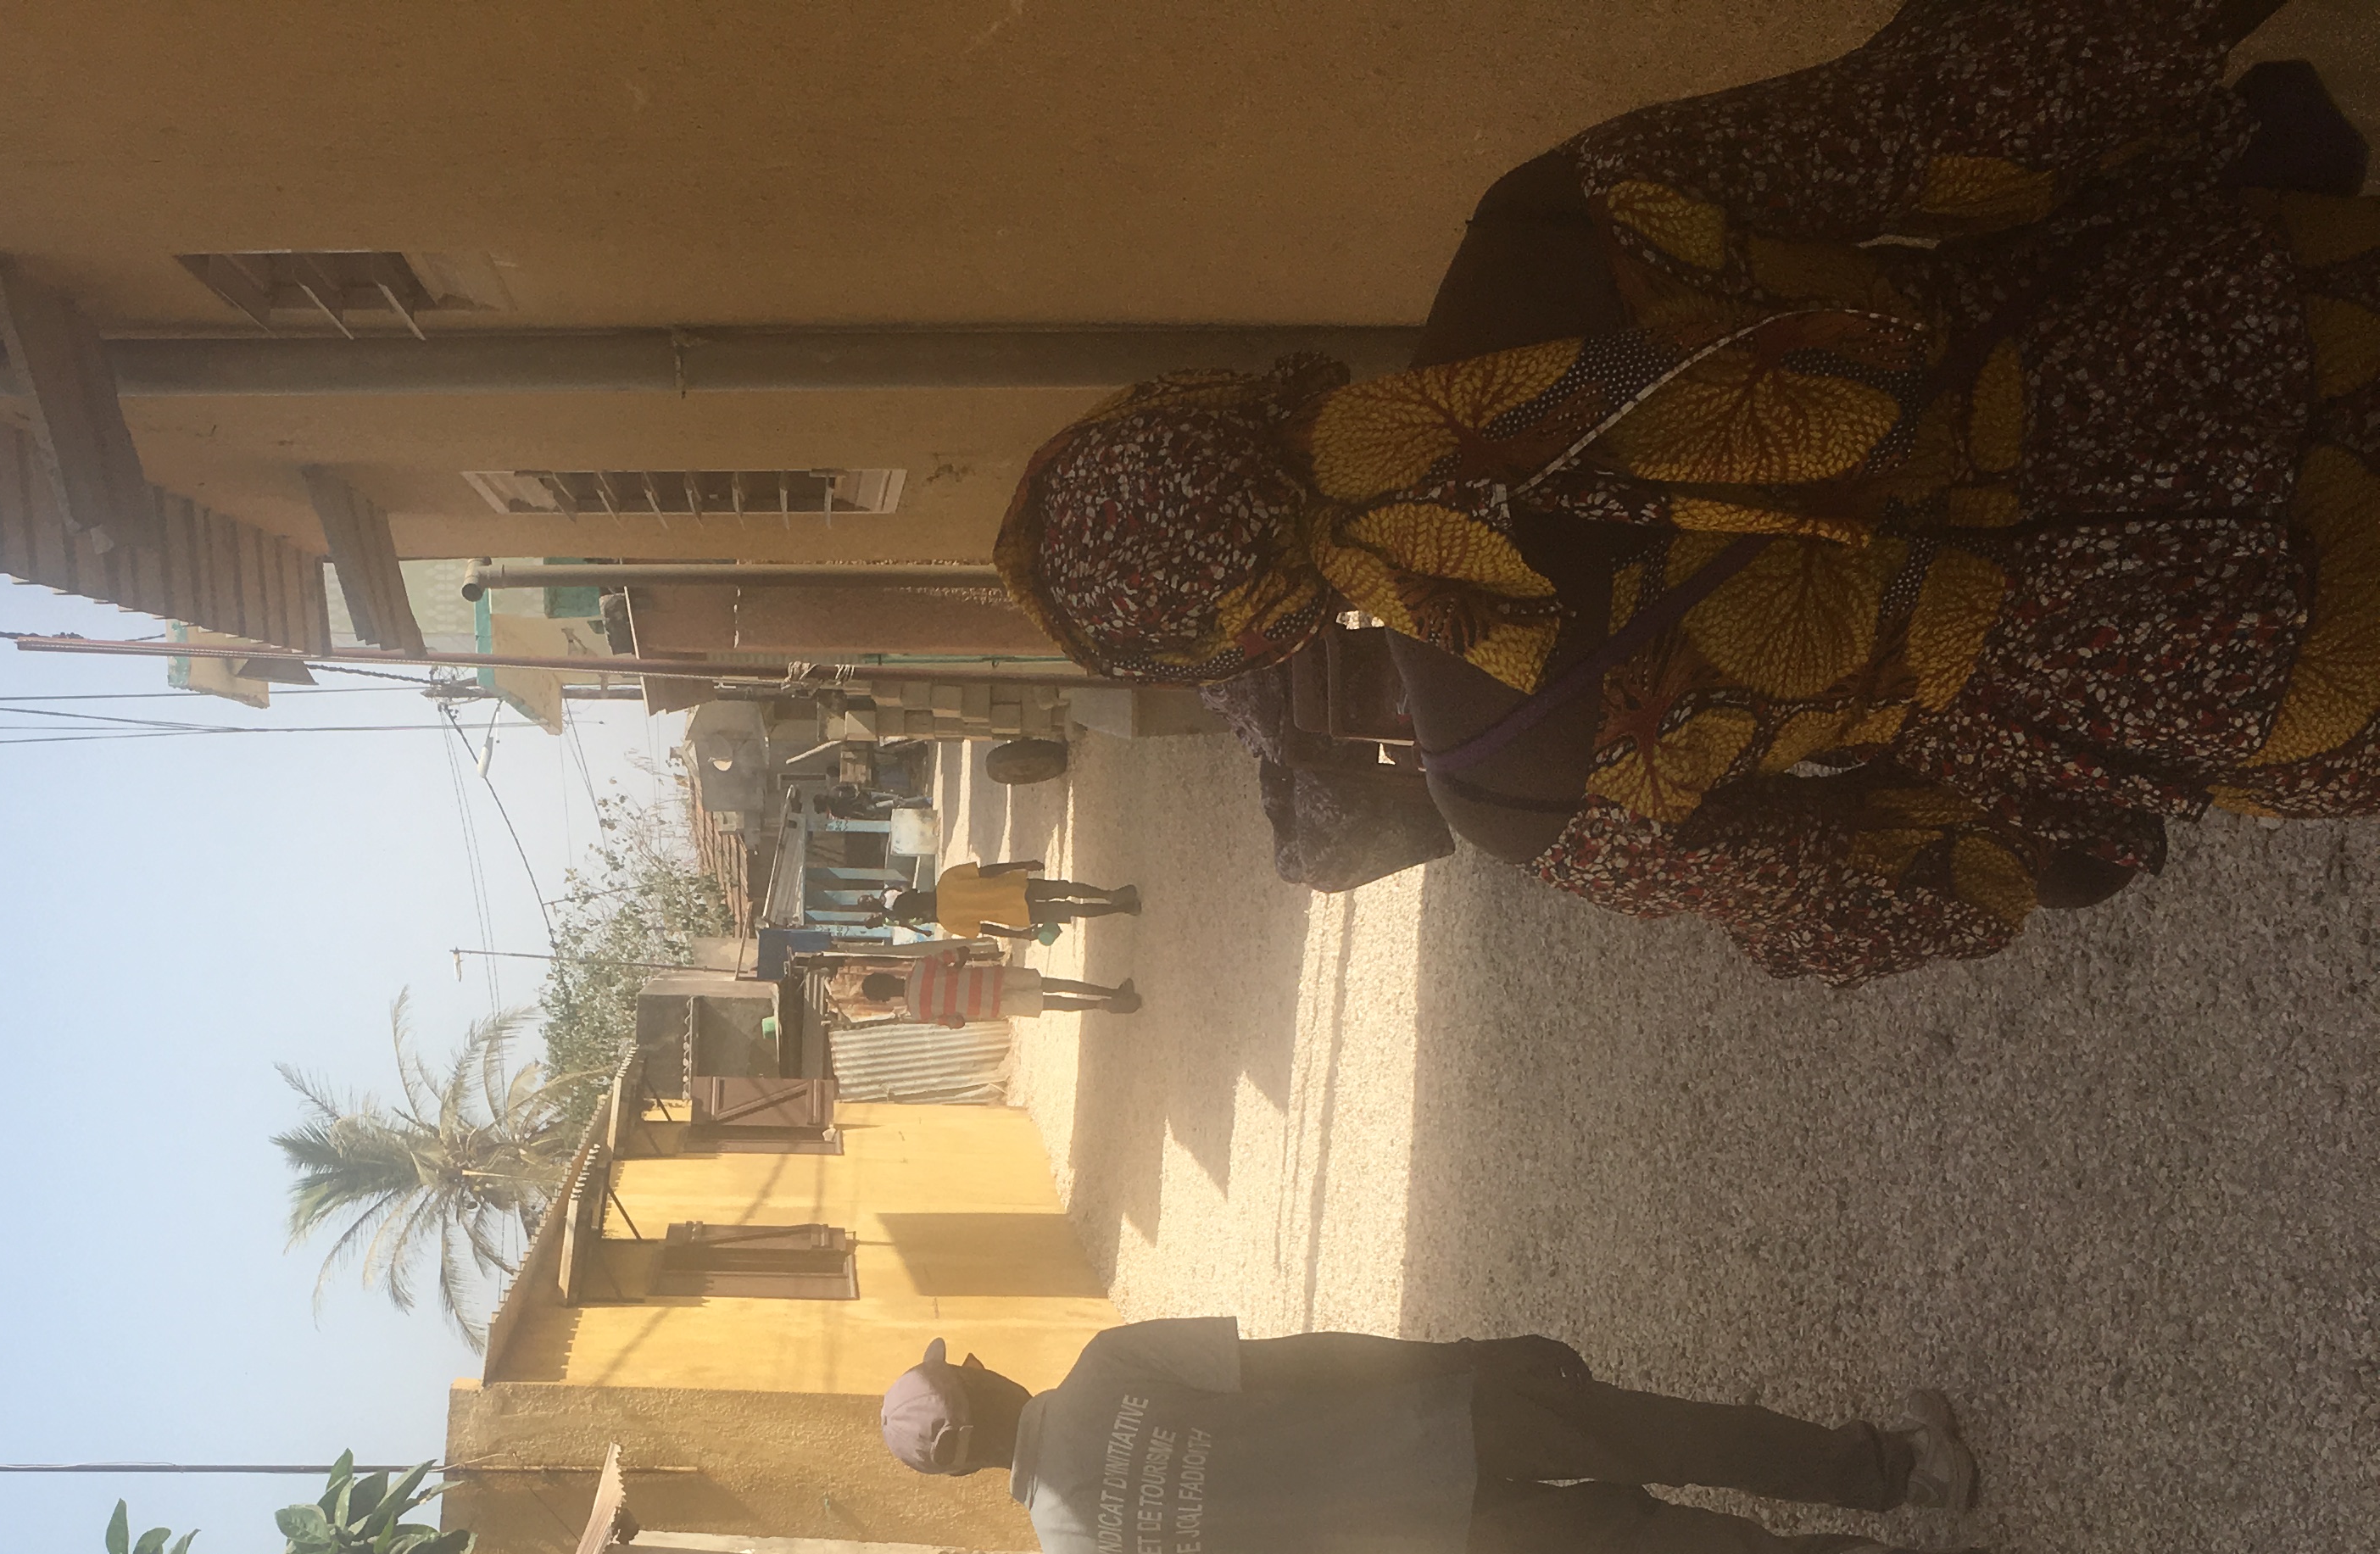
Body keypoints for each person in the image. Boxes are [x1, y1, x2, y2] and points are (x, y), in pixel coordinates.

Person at [990, 0, 2380, 985]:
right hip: (2212, 335)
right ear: (1203, 402)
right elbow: (1954, 116)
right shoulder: (1543, 233)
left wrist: (2030, 812)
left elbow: (1870, 899)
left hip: (2202, 658)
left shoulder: (1505, 790)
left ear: (1255, 636)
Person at [878, 1323, 1995, 1554]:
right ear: (980, 1390)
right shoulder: (1109, 1366)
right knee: (1669, 1438)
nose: (975, 1361)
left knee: (1646, 1549)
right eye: (965, 1368)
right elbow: (1305, 1361)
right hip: (1450, 1423)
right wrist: (1466, 1354)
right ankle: (1902, 1472)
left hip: (1433, 1541)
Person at [828, 949, 1141, 1020]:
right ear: (890, 976)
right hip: (992, 979)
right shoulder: (922, 966)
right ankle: (1111, 991)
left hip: (989, 1006)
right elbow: (959, 953)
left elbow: (955, 1022)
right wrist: (959, 965)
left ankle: (1103, 1005)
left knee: (1050, 1003)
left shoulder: (919, 1013)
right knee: (1050, 982)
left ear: (886, 1001)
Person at [878, 862, 1143, 939]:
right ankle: (1109, 895)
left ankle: (1122, 908)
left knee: (1071, 909)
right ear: (915, 894)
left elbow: (987, 929)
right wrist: (1022, 864)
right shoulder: (948, 879)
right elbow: (988, 871)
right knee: (1066, 888)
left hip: (1020, 915)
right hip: (1018, 887)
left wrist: (1020, 935)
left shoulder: (948, 922)